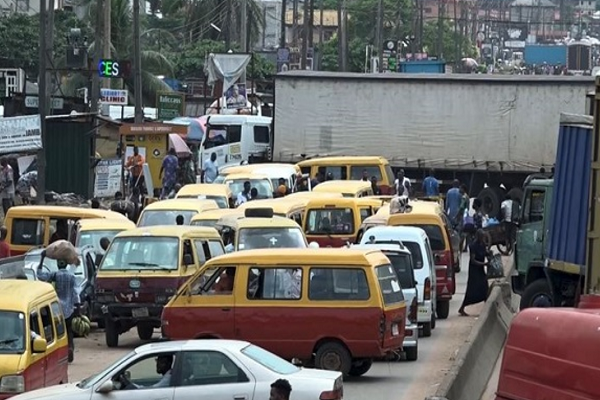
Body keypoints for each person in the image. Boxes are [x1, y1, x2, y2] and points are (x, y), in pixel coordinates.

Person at [37, 256, 79, 362]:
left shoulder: (55, 275)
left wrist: (42, 259)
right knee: (69, 331)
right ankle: (70, 348)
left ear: (57, 264)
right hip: (70, 309)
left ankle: (60, 353)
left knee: (58, 333)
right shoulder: (71, 277)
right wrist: (77, 307)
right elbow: (75, 293)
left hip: (57, 310)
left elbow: (40, 275)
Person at [458, 229, 491, 316]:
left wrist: (489, 253)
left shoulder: (482, 245)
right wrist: (484, 264)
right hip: (474, 271)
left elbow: (485, 253)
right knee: (472, 290)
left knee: (484, 286)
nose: (483, 238)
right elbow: (473, 260)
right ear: (478, 237)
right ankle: (462, 307)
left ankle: (487, 306)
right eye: (482, 237)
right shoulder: (473, 246)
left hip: (480, 270)